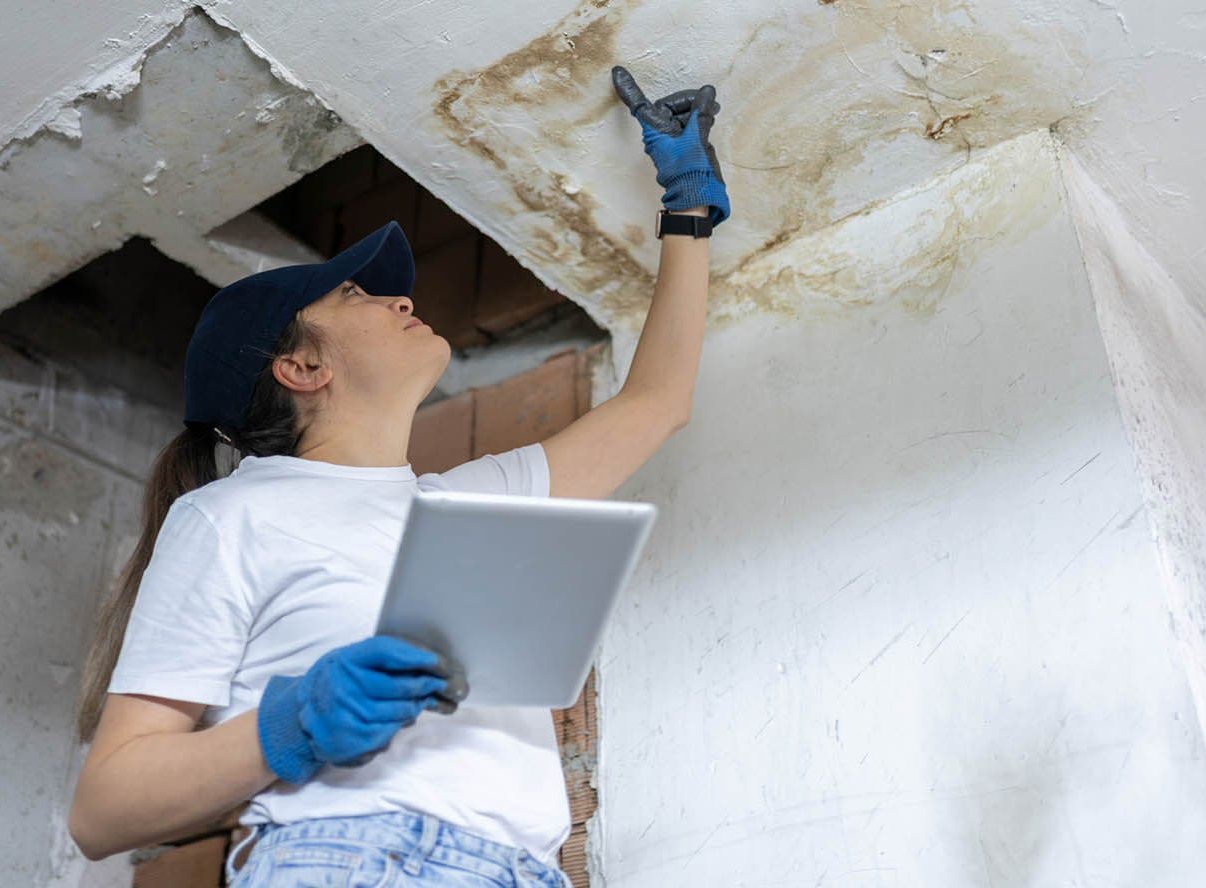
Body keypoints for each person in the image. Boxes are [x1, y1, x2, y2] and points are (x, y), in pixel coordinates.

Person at [67, 67, 731, 887]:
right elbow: (103, 812)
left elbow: (658, 402)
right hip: (347, 858)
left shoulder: (468, 508)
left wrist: (687, 207)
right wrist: (294, 725)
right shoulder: (228, 516)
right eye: (356, 294)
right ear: (302, 366)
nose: (400, 301)